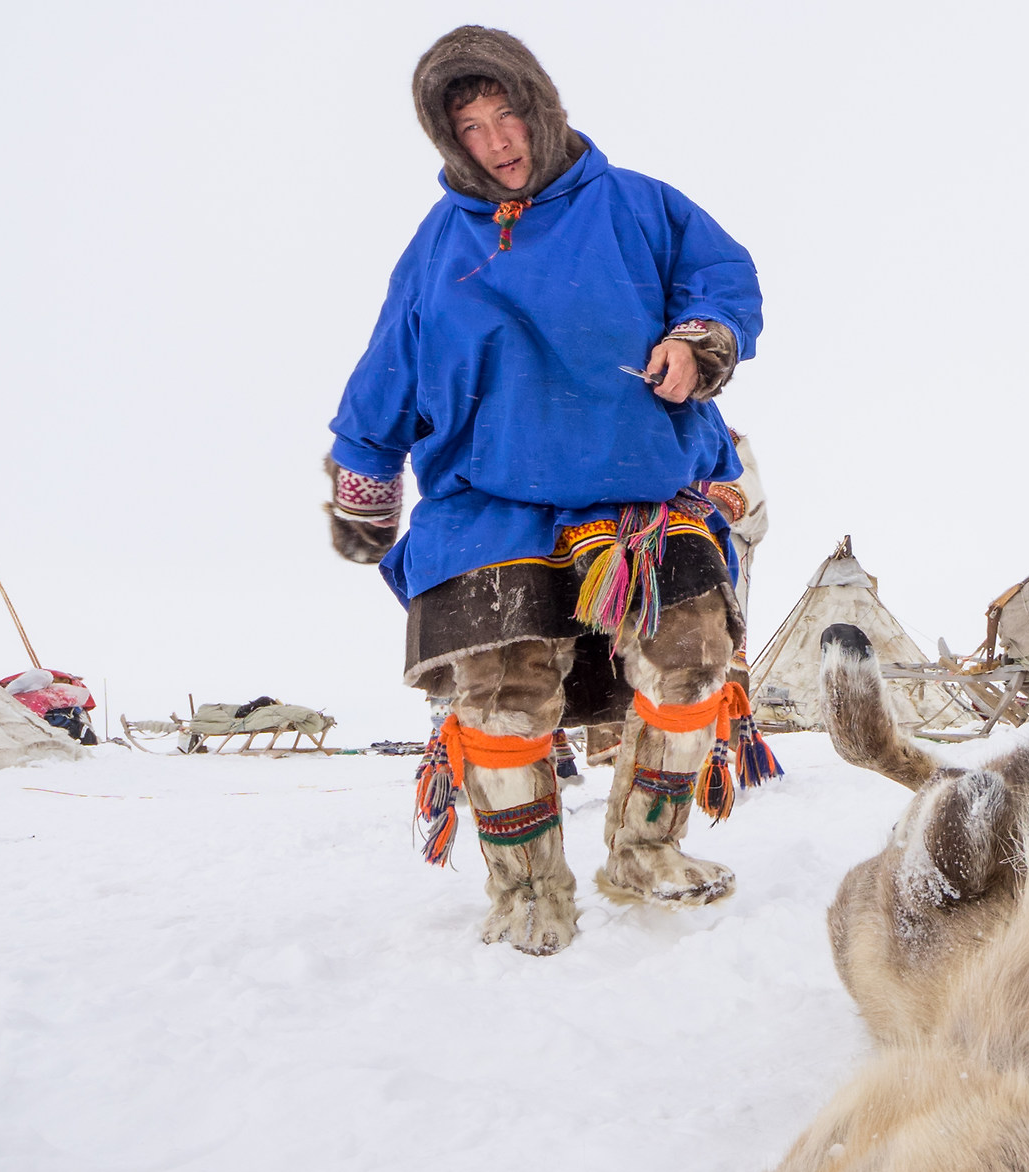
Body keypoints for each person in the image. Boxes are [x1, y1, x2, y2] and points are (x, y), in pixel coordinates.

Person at [326, 26, 770, 956]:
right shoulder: (439, 247)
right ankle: (528, 889)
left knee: (691, 657)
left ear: (542, 106)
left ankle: (646, 850)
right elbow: (391, 365)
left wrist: (698, 339)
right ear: (451, 143)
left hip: (636, 484)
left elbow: (723, 280)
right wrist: (365, 477)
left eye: (507, 115)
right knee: (501, 690)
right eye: (472, 128)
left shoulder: (639, 206)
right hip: (491, 497)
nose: (498, 142)